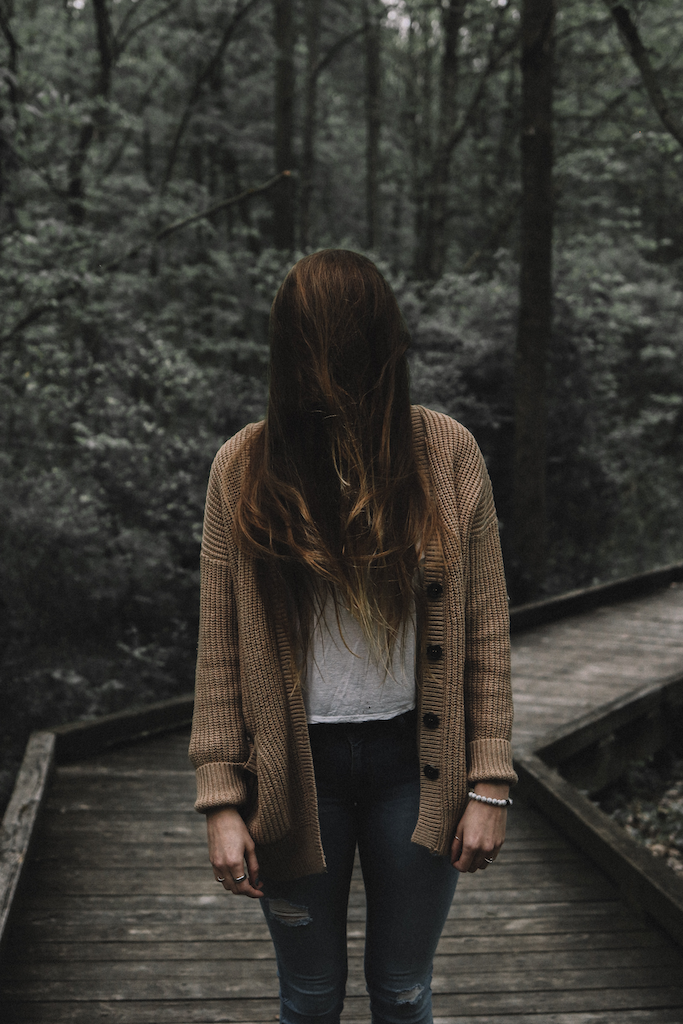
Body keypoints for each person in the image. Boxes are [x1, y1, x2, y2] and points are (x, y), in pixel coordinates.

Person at [189, 249, 516, 1024]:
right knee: (307, 997)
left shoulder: (447, 454)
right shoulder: (242, 467)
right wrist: (220, 801)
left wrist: (489, 783)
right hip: (294, 773)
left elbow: (484, 629)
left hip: (418, 767)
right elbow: (220, 646)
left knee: (403, 992)